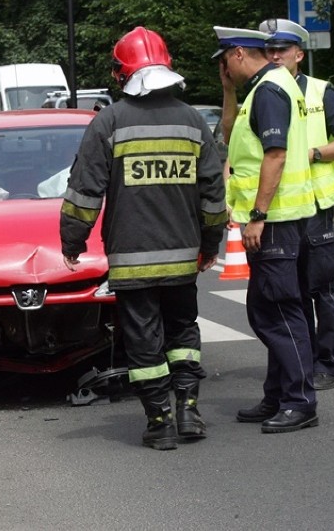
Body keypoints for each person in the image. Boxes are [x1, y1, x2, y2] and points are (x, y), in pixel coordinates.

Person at [60, 27, 227, 450]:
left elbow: (84, 192)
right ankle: (189, 410)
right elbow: (213, 194)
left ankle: (160, 421)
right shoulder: (192, 121)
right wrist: (210, 246)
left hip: (132, 260)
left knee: (144, 340)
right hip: (183, 257)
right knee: (183, 332)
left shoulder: (109, 122)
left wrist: (72, 241)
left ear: (122, 74)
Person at [213, 26, 319, 433]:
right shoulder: (264, 88)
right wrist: (227, 91)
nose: (223, 70)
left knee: (278, 312)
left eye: (224, 62)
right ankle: (278, 394)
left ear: (237, 53)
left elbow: (275, 155)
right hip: (276, 219)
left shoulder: (270, 89)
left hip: (275, 220)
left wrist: (257, 213)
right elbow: (232, 140)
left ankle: (299, 401)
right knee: (269, 309)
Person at [259, 18, 334, 390]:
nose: (274, 56)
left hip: (316, 205)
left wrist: (312, 154)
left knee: (320, 287)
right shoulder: (264, 91)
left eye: (282, 50)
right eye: (268, 50)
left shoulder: (320, 91)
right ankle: (300, 362)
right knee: (291, 290)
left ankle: (329, 363)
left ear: (299, 54)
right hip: (283, 207)